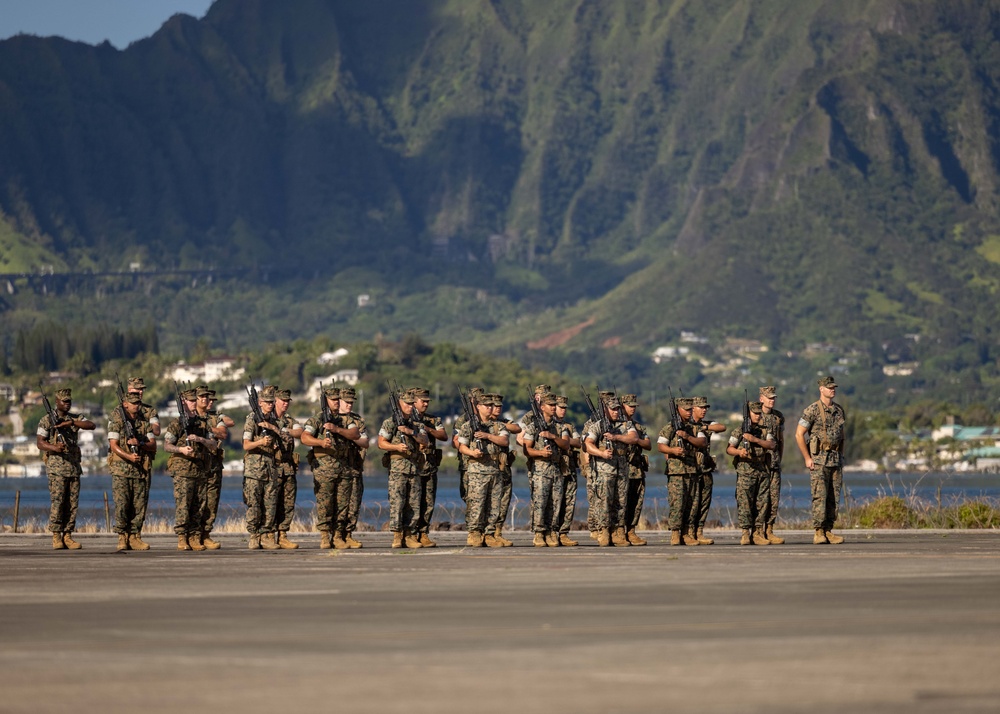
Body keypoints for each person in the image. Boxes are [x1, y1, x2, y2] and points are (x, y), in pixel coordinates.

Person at [36, 387, 95, 550]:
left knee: (72, 504)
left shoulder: (75, 418)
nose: (67, 404)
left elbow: (91, 425)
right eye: (64, 401)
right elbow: (40, 442)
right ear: (57, 402)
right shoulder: (46, 420)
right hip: (57, 469)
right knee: (58, 502)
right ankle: (56, 535)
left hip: (73, 467)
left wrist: (72, 423)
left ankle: (67, 535)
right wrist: (54, 447)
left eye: (69, 401)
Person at [302, 386, 361, 549]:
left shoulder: (345, 420)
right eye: (333, 399)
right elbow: (305, 438)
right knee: (325, 504)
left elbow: (355, 434)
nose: (336, 402)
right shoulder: (317, 419)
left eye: (337, 399)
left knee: (343, 504)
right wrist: (320, 442)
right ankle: (324, 536)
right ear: (326, 401)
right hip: (324, 469)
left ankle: (338, 536)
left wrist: (337, 430)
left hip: (344, 468)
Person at [795, 376, 847, 545]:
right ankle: (818, 531)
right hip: (819, 460)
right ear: (821, 389)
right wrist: (807, 458)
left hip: (835, 459)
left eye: (834, 387)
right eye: (829, 387)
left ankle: (828, 530)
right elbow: (799, 434)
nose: (832, 390)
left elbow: (842, 436)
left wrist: (841, 455)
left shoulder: (839, 410)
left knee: (834, 496)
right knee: (820, 496)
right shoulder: (812, 410)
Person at [164, 387, 216, 551]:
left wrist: (200, 439)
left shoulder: (202, 423)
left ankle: (194, 537)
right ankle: (182, 537)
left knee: (199, 505)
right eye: (191, 400)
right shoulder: (177, 423)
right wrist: (181, 450)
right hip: (183, 470)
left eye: (195, 400)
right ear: (184, 403)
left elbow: (213, 444)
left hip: (199, 469)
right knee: (183, 504)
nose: (194, 403)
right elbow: (167, 445)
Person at [378, 389, 429, 548]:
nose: (410, 406)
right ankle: (397, 535)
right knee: (397, 502)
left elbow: (424, 440)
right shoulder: (390, 423)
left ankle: (410, 535)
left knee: (413, 503)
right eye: (407, 404)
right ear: (399, 404)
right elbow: (381, 443)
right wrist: (396, 447)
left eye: (412, 404)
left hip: (414, 468)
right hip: (398, 469)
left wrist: (410, 432)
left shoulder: (417, 424)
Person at [584, 394, 638, 547]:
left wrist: (616, 437)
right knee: (604, 501)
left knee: (621, 501)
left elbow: (634, 438)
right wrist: (601, 453)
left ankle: (618, 531)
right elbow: (588, 444)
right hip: (604, 470)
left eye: (617, 409)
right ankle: (604, 530)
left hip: (622, 469)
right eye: (612, 409)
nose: (615, 412)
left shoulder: (626, 425)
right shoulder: (597, 425)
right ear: (605, 410)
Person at [456, 393, 509, 547]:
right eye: (487, 405)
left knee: (494, 505)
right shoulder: (468, 426)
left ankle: (489, 534)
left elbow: (504, 441)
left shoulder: (498, 426)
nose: (490, 408)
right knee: (476, 504)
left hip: (495, 470)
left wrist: (487, 436)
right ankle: (474, 533)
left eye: (492, 405)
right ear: (478, 406)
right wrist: (472, 453)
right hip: (477, 471)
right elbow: (461, 446)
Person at [107, 392, 156, 551]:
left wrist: (140, 443)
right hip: (121, 470)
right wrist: (128, 456)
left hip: (140, 470)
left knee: (139, 506)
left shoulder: (144, 423)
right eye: (133, 403)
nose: (136, 405)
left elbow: (153, 445)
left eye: (138, 403)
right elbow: (113, 445)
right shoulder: (116, 422)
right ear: (125, 404)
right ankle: (122, 537)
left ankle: (135, 537)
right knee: (122, 505)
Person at [522, 392, 571, 547]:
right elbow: (526, 450)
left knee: (555, 503)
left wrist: (552, 436)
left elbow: (566, 444)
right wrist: (540, 453)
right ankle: (539, 533)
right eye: (550, 405)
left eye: (554, 405)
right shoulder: (533, 426)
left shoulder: (560, 427)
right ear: (542, 407)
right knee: (540, 502)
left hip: (556, 469)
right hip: (540, 470)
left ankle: (551, 531)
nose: (553, 407)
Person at [657, 397, 706, 546]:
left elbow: (702, 442)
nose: (689, 412)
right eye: (686, 409)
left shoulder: (695, 427)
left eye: (691, 409)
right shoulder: (669, 427)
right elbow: (660, 445)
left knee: (692, 504)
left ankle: (687, 533)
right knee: (677, 503)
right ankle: (675, 533)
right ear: (678, 409)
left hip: (692, 470)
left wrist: (687, 437)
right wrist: (672, 450)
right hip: (676, 471)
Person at [726, 401, 776, 545]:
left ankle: (757, 533)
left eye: (759, 413)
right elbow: (729, 448)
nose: (758, 416)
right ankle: (745, 533)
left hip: (762, 471)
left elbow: (772, 444)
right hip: (745, 472)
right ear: (748, 414)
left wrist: (755, 440)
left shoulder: (765, 431)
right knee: (745, 503)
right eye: (755, 413)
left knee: (762, 503)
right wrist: (739, 452)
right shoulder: (739, 431)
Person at [242, 385, 281, 550]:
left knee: (270, 504)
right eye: (267, 402)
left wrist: (273, 429)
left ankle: (266, 536)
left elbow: (285, 438)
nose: (270, 405)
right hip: (255, 470)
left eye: (272, 402)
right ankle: (254, 536)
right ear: (260, 403)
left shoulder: (273, 421)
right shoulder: (252, 419)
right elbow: (246, 445)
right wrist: (260, 442)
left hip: (270, 469)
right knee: (254, 504)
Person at [199, 388, 233, 549]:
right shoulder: (191, 417)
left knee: (212, 501)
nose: (209, 402)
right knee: (195, 501)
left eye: (211, 400)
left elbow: (225, 430)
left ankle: (205, 534)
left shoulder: (215, 417)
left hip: (213, 464)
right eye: (207, 399)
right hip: (197, 465)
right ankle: (192, 535)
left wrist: (207, 427)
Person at [413, 387, 447, 547]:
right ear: (414, 402)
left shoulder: (433, 419)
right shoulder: (407, 419)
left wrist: (428, 429)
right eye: (423, 401)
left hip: (430, 466)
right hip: (413, 466)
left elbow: (443, 435)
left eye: (427, 401)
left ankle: (423, 533)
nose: (426, 404)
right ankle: (410, 533)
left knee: (428, 502)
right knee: (412, 502)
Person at [690, 396, 726, 545]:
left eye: (705, 407)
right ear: (693, 408)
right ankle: (688, 532)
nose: (704, 410)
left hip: (705, 470)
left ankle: (699, 532)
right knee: (691, 503)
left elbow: (722, 427)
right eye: (701, 407)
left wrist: (704, 428)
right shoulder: (685, 425)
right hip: (690, 470)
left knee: (704, 503)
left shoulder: (707, 424)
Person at [271, 388, 303, 549]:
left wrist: (286, 431)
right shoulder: (266, 419)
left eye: (287, 401)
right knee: (270, 503)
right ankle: (269, 535)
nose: (285, 403)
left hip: (288, 467)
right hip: (272, 468)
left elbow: (300, 432)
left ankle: (282, 535)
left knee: (288, 503)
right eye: (282, 400)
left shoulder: (289, 420)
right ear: (275, 401)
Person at [338, 387, 369, 548]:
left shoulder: (358, 421)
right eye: (346, 402)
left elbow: (365, 442)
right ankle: (335, 535)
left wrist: (350, 435)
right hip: (336, 469)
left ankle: (348, 534)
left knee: (353, 504)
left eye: (351, 402)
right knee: (337, 505)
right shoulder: (331, 419)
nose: (349, 405)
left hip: (354, 467)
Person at [620, 394, 651, 546]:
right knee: (621, 504)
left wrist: (636, 439)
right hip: (621, 471)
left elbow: (648, 444)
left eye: (634, 406)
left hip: (637, 470)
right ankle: (619, 531)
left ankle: (631, 531)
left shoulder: (638, 427)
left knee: (636, 503)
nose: (632, 409)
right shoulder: (616, 426)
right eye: (630, 406)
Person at [487, 393, 518, 546]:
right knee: (488, 502)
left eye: (500, 406)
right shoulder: (482, 423)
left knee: (504, 501)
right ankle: (486, 532)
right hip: (488, 467)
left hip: (503, 466)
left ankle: (498, 532)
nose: (498, 409)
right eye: (495, 406)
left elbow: (517, 428)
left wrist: (499, 425)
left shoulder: (503, 422)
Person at [759, 386, 786, 544]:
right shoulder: (755, 415)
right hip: (760, 464)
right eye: (769, 398)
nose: (772, 400)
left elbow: (780, 439)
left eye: (773, 398)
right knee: (760, 499)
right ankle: (757, 530)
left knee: (774, 498)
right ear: (761, 398)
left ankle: (769, 530)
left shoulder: (778, 416)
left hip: (774, 463)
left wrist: (779, 458)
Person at [554, 395, 581, 546]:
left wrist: (563, 441)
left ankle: (563, 533)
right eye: (560, 408)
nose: (563, 411)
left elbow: (579, 442)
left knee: (569, 502)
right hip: (554, 468)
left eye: (565, 408)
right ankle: (551, 532)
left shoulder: (569, 426)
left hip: (569, 468)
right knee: (554, 502)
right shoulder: (548, 426)